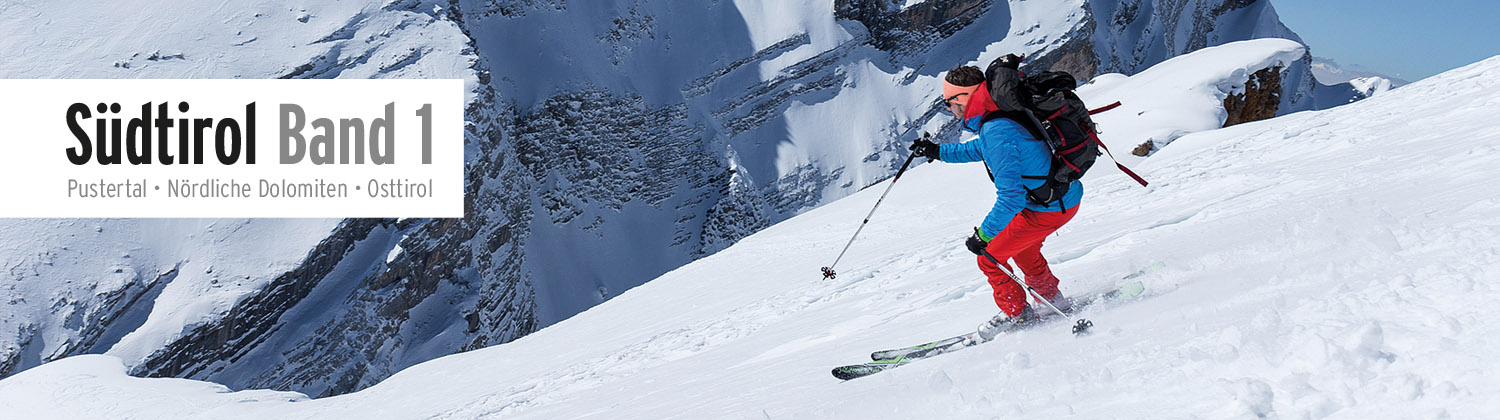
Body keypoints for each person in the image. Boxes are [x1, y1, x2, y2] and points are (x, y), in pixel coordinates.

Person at [909, 62, 1083, 340]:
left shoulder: (997, 131)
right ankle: (1053, 301)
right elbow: (978, 149)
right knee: (1023, 250)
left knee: (990, 257)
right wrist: (936, 152)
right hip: (1058, 197)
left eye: (948, 103)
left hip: (1047, 207)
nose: (950, 111)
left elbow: (1011, 198)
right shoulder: (999, 118)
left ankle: (1017, 313)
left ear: (962, 100)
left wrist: (983, 236)